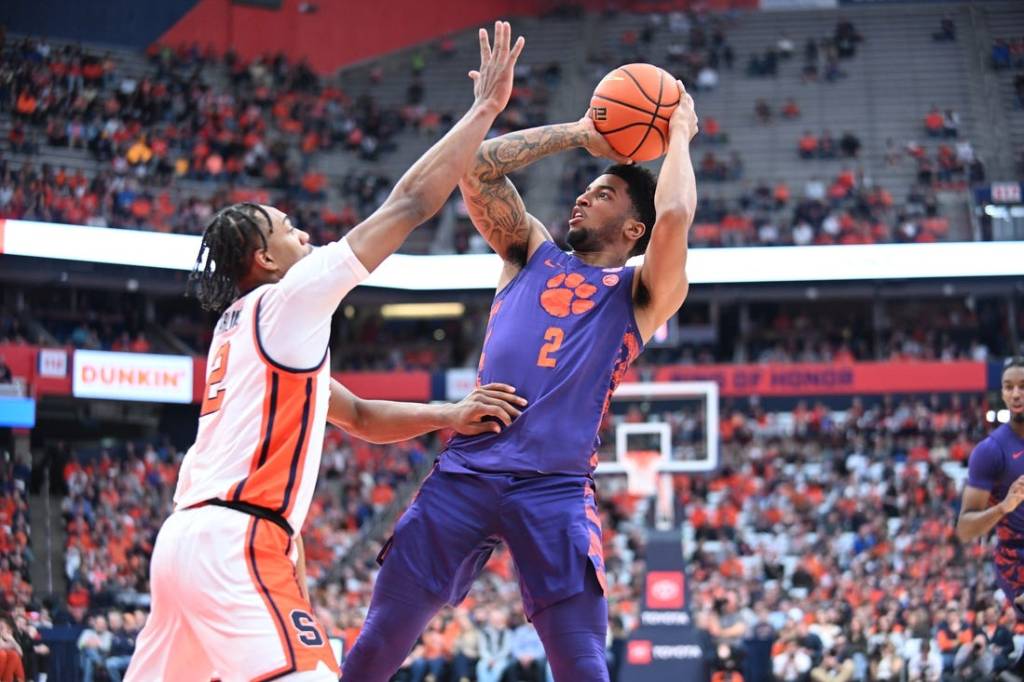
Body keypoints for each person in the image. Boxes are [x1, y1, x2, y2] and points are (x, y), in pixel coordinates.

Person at [124, 21, 526, 682]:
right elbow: (410, 203)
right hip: (236, 542)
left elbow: (360, 418)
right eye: (287, 228)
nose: (304, 232)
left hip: (181, 547)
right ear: (263, 258)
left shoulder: (239, 330)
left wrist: (449, 415)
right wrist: (485, 109)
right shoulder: (287, 302)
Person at [342, 73, 698, 681]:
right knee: (377, 645)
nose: (582, 198)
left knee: (583, 668)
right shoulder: (528, 251)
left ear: (632, 230)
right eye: (586, 189)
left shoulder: (640, 293)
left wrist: (681, 135)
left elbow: (673, 217)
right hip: (466, 472)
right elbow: (477, 167)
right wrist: (584, 133)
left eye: (604, 193)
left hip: (554, 490)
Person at [956, 357, 1024, 669]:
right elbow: (965, 529)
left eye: (1023, 386)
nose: (1016, 394)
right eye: (1009, 387)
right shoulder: (991, 450)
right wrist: (1003, 507)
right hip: (1017, 559)